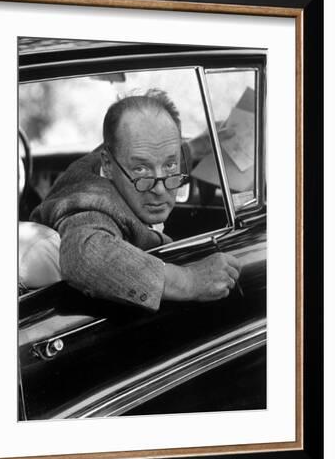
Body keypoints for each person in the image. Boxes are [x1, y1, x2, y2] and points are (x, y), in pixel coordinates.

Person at [30, 89, 240, 311]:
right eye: (141, 169)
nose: (159, 188)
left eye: (170, 165)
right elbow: (85, 256)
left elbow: (155, 154)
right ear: (108, 164)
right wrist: (189, 280)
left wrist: (197, 146)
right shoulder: (90, 206)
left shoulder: (108, 160)